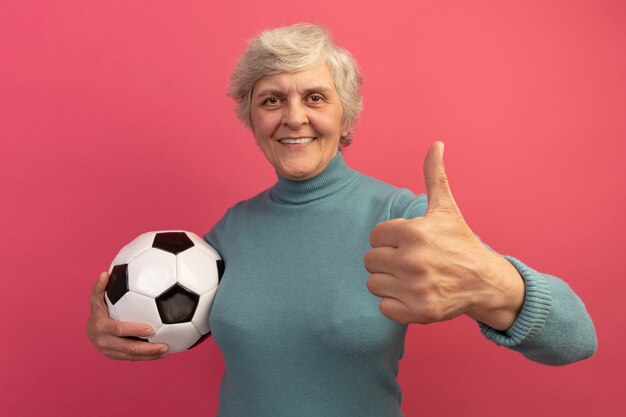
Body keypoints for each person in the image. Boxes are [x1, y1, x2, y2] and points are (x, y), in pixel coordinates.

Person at [86, 23, 597, 416]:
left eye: (314, 97)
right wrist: (112, 330)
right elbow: (167, 319)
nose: (293, 116)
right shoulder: (229, 232)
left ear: (345, 116)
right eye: (271, 99)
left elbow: (577, 341)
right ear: (253, 119)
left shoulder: (403, 218)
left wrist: (497, 284)